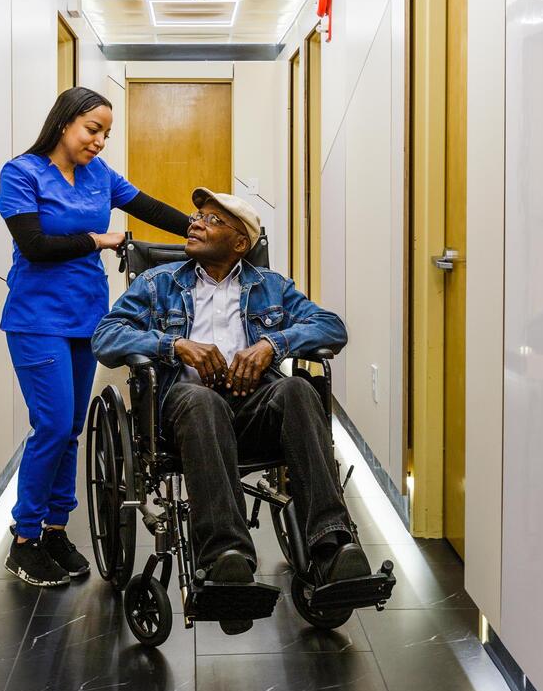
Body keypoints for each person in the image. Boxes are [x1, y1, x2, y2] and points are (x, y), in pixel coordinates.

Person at [92, 188, 371, 632]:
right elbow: (106, 337)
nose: (195, 223)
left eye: (212, 220)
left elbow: (331, 327)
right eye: (196, 216)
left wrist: (272, 344)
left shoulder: (271, 287)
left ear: (242, 242)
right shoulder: (158, 283)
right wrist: (174, 345)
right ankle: (227, 556)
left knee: (298, 390)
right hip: (185, 410)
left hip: (253, 409)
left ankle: (332, 546)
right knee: (202, 401)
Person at [0, 86, 189, 587]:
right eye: (92, 129)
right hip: (37, 319)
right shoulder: (22, 173)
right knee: (53, 425)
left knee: (72, 428)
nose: (99, 141)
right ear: (64, 122)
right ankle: (24, 539)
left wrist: (202, 230)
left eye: (105, 133)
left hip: (87, 316)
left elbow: (149, 207)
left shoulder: (99, 175)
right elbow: (35, 246)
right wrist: (99, 239)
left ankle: (55, 528)